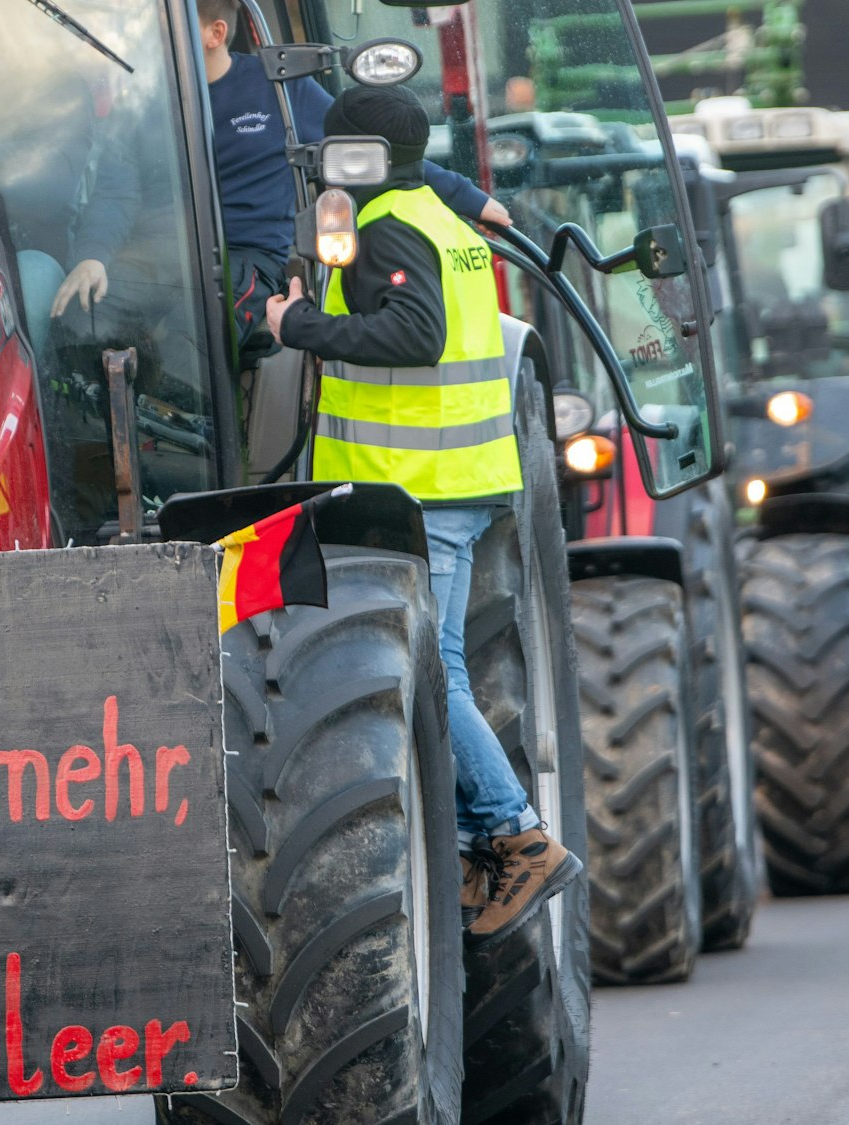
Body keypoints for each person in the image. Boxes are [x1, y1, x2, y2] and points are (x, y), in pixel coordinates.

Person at [264, 86, 580, 945]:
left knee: (435, 669)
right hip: (460, 479)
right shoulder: (436, 210)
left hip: (426, 485)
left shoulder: (389, 227)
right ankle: (490, 840)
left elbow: (415, 336)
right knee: (439, 666)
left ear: (356, 156)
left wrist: (298, 325)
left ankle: (514, 834)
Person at [197, 0, 510, 367]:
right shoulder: (145, 99)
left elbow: (374, 151)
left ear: (215, 33)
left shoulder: (277, 89)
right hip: (163, 248)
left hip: (246, 253)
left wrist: (465, 196)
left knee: (202, 336)